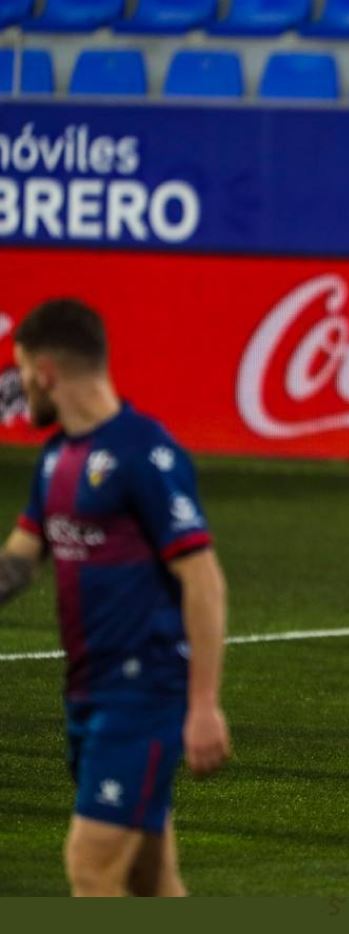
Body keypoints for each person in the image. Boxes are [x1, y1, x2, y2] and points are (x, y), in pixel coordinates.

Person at [0, 299, 230, 895]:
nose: (19, 388)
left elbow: (202, 578)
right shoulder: (55, 460)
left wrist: (203, 704)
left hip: (143, 696)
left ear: (47, 372)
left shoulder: (143, 452)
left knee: (91, 867)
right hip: (86, 694)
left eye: (22, 372)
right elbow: (17, 563)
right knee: (152, 880)